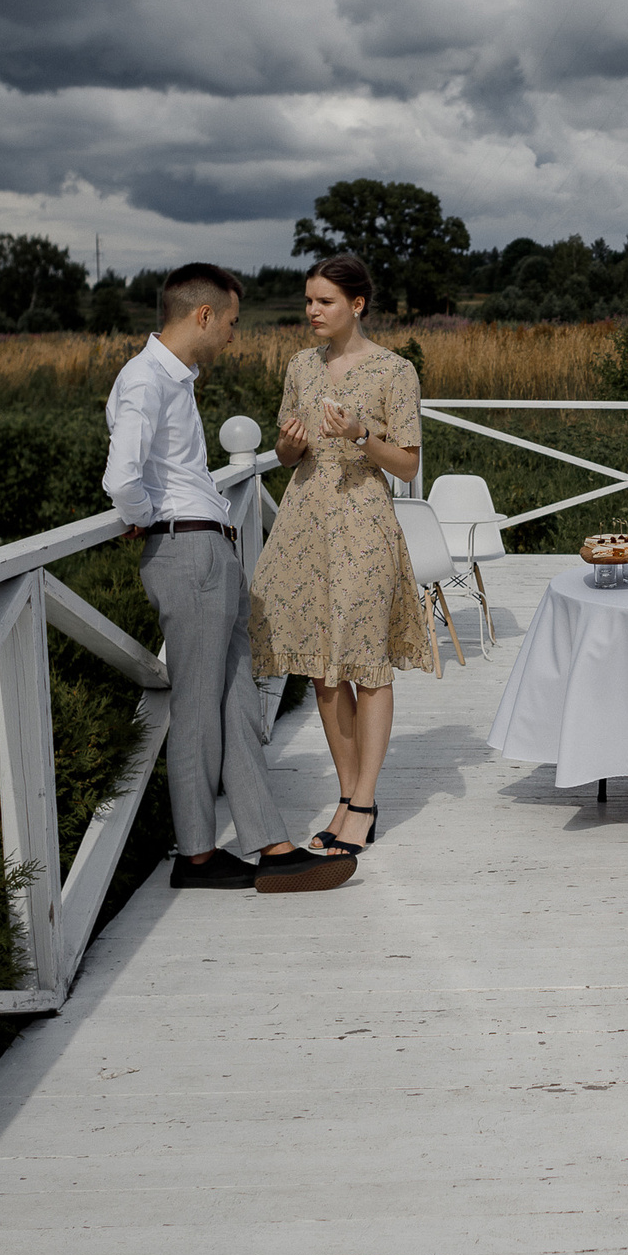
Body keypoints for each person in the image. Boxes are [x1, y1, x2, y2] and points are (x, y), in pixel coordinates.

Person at [104, 263, 352, 895]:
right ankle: (196, 856)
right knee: (196, 708)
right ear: (203, 316)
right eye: (234, 323)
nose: (235, 336)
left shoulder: (174, 380)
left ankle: (267, 844)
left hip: (207, 550)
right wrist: (143, 519)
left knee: (238, 701)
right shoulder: (145, 381)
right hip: (186, 553)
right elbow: (121, 478)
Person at [248, 252, 434, 855]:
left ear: (357, 305)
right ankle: (345, 795)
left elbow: (407, 464)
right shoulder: (301, 366)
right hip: (305, 525)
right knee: (324, 674)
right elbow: (282, 455)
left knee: (366, 666)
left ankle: (366, 800)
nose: (311, 311)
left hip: (363, 525)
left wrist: (360, 434)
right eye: (308, 301)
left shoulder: (393, 371)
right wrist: (289, 442)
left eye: (324, 301)